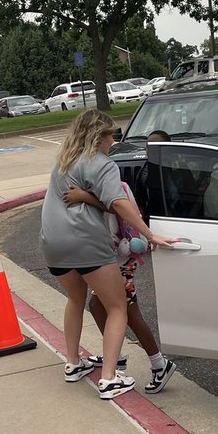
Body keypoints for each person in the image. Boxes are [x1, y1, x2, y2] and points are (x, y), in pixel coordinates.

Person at [40, 109, 177, 400]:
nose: (113, 142)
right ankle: (110, 378)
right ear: (99, 137)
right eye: (110, 136)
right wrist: (151, 234)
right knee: (118, 307)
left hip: (52, 243)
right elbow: (119, 203)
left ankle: (73, 363)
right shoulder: (101, 163)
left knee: (76, 299)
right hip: (86, 244)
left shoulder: (62, 162)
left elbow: (101, 201)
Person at [61, 175, 177, 394]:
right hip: (107, 262)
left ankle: (159, 364)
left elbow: (115, 208)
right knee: (99, 306)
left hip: (119, 261)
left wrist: (84, 196)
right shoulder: (97, 188)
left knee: (128, 313)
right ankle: (118, 357)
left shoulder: (111, 190)